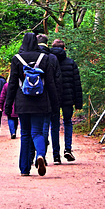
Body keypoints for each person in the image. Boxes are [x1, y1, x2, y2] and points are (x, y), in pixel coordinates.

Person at [5, 32, 59, 176]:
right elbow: (51, 83)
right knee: (37, 132)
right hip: (41, 102)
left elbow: (12, 84)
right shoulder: (44, 58)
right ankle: (40, 155)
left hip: (22, 102)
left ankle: (24, 169)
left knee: (25, 134)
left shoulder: (16, 59)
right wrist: (55, 105)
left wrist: (8, 105)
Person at [51, 39, 83, 162]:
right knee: (68, 122)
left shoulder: (49, 62)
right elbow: (77, 84)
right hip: (68, 98)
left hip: (54, 99)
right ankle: (68, 149)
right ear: (64, 48)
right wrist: (78, 102)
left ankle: (56, 155)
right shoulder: (70, 63)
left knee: (54, 125)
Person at [37, 33, 62, 164]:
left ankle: (42, 155)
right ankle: (56, 156)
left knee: (42, 128)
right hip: (53, 97)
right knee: (55, 127)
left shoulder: (34, 57)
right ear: (47, 43)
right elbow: (58, 80)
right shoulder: (52, 58)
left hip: (37, 98)